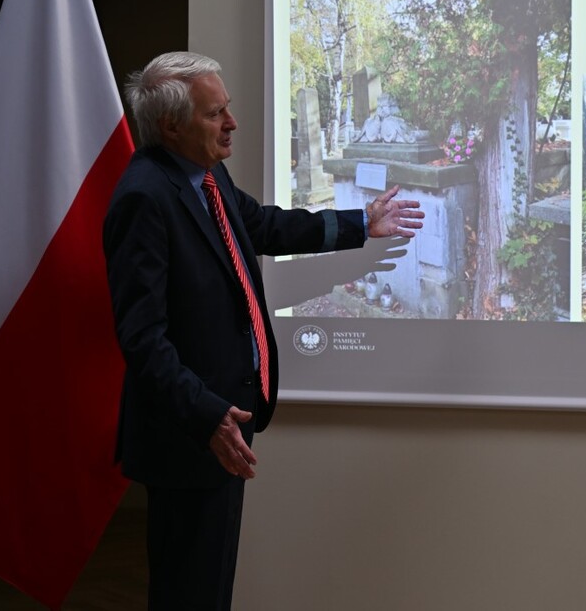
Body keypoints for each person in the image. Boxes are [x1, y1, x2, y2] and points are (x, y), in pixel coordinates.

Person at [102, 51, 424, 610]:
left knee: (208, 587)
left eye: (227, 109)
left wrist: (359, 225)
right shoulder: (144, 198)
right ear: (172, 125)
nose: (231, 123)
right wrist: (207, 416)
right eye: (215, 113)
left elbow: (262, 224)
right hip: (193, 436)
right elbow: (142, 339)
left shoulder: (203, 174)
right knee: (188, 591)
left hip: (224, 425)